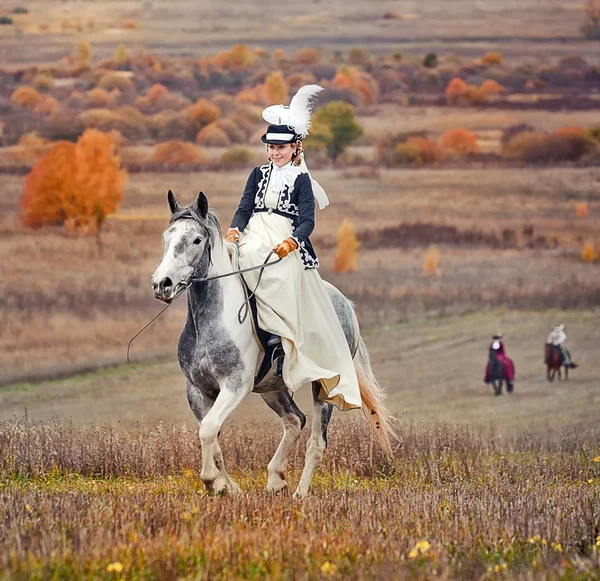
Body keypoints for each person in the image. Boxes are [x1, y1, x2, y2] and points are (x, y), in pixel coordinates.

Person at [225, 85, 361, 412]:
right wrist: (232, 230)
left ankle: (280, 343)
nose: (275, 153)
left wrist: (291, 241)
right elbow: (245, 208)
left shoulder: (301, 181)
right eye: (271, 148)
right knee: (228, 265)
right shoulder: (256, 175)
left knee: (276, 271)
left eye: (281, 148)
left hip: (285, 237)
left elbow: (308, 221)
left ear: (294, 148)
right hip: (254, 230)